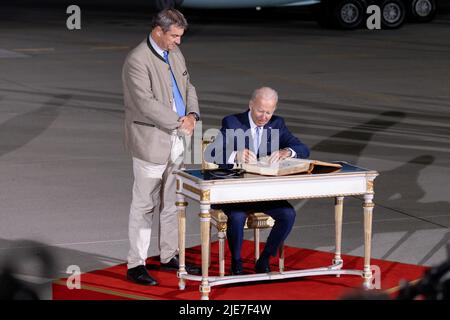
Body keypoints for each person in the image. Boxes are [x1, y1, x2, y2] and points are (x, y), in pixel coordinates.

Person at [122, 9, 200, 286]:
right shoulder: (137, 60)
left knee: (172, 202)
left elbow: (188, 86)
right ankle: (136, 264)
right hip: (151, 141)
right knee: (144, 204)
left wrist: (192, 116)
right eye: (174, 36)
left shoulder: (175, 53)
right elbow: (145, 103)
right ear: (158, 30)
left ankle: (169, 254)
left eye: (180, 36)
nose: (178, 42)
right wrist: (180, 123)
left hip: (178, 139)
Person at [205, 87, 310, 275]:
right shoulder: (232, 122)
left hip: (263, 193)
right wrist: (235, 155)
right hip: (234, 193)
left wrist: (287, 151)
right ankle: (236, 263)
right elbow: (211, 152)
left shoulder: (277, 124)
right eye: (261, 111)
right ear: (251, 105)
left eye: (269, 112)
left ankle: (264, 259)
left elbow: (302, 148)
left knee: (288, 214)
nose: (264, 116)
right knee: (237, 217)